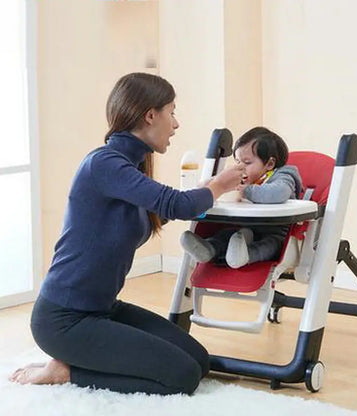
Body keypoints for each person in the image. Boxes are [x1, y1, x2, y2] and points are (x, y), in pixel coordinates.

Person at [8, 72, 245, 395]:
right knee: (183, 376)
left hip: (103, 309)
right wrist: (219, 185)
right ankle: (67, 372)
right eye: (172, 112)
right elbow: (176, 204)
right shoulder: (104, 163)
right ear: (150, 115)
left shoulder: (127, 169)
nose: (176, 124)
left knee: (198, 360)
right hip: (64, 320)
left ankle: (80, 361)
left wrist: (208, 192)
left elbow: (171, 206)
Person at [180, 127, 302, 269]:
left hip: (277, 234)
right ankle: (209, 249)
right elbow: (218, 182)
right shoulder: (244, 177)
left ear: (269, 164)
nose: (240, 167)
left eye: (247, 162)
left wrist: (248, 191)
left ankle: (244, 256)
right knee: (227, 234)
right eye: (238, 161)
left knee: (269, 245)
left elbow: (279, 193)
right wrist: (210, 184)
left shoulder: (282, 176)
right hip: (245, 230)